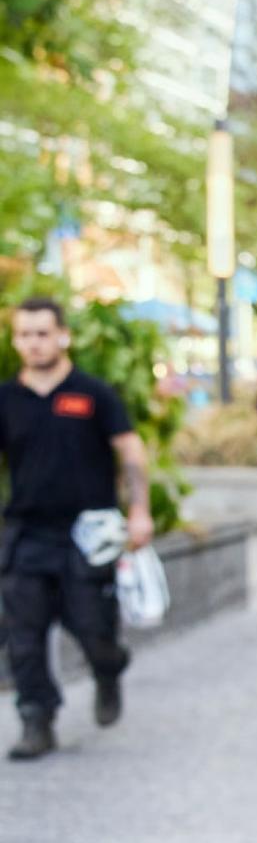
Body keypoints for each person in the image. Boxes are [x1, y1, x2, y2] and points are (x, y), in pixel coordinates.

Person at [0, 296, 150, 760]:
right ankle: (36, 720)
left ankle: (108, 670)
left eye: (43, 333)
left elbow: (130, 451)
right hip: (27, 534)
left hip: (89, 535)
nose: (34, 343)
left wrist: (139, 510)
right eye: (25, 334)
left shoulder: (92, 393)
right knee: (23, 636)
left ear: (63, 335)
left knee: (93, 629)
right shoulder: (7, 399)